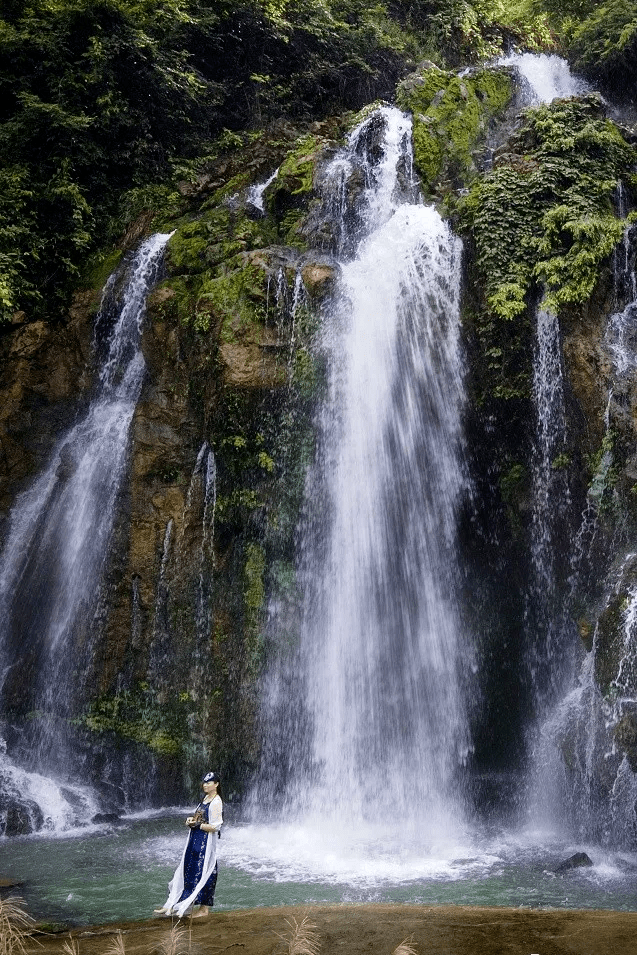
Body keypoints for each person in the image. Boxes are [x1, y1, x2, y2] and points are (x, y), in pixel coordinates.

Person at [154, 771, 223, 919]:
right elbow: (201, 818)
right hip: (195, 839)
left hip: (206, 842)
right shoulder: (205, 798)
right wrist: (191, 821)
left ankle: (204, 910)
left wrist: (197, 825)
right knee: (189, 870)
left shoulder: (216, 802)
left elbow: (216, 826)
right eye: (204, 782)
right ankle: (176, 904)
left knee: (205, 871)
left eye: (209, 782)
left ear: (216, 784)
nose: (205, 785)